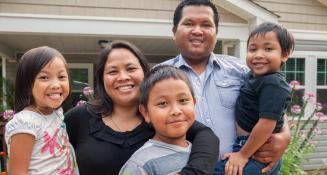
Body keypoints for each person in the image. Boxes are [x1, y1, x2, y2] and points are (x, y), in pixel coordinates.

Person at [161, 0, 291, 174]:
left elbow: (272, 106)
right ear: (174, 31)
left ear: (216, 32)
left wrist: (285, 135)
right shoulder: (158, 77)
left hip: (242, 164)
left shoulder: (243, 70)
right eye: (189, 23)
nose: (198, 31)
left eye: (206, 24)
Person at [64, 40, 219, 175]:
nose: (123, 77)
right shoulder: (79, 118)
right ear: (102, 79)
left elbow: (207, 137)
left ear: (145, 73)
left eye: (131, 69)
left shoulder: (162, 120)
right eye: (112, 71)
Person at [218, 22, 295, 175]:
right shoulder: (253, 76)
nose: (258, 54)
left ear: (285, 54)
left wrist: (242, 155)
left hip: (255, 151)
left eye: (268, 49)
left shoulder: (274, 83)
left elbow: (267, 123)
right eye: (253, 49)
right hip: (248, 147)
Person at [5, 46, 79, 175]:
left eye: (61, 77)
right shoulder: (26, 123)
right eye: (44, 77)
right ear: (27, 84)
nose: (56, 84)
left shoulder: (56, 113)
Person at [119, 65, 196, 175]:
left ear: (194, 103)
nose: (176, 111)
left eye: (183, 100)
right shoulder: (140, 164)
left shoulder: (199, 152)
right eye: (163, 103)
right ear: (145, 113)